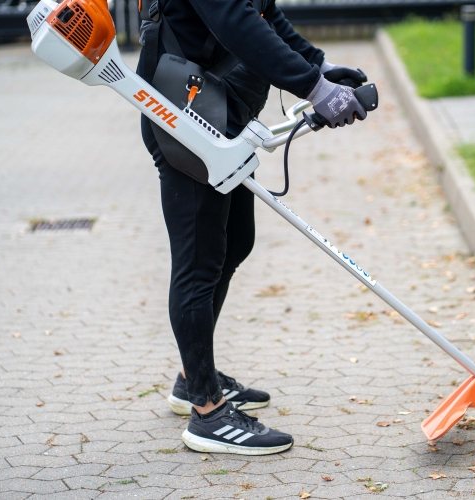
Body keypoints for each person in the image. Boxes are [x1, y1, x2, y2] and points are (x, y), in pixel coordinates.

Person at [137, 0, 370, 455]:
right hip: (184, 113)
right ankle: (208, 413)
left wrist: (318, 66)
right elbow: (233, 20)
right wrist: (311, 86)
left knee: (235, 243)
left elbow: (263, 13)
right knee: (199, 262)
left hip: (217, 107)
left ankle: (191, 379)